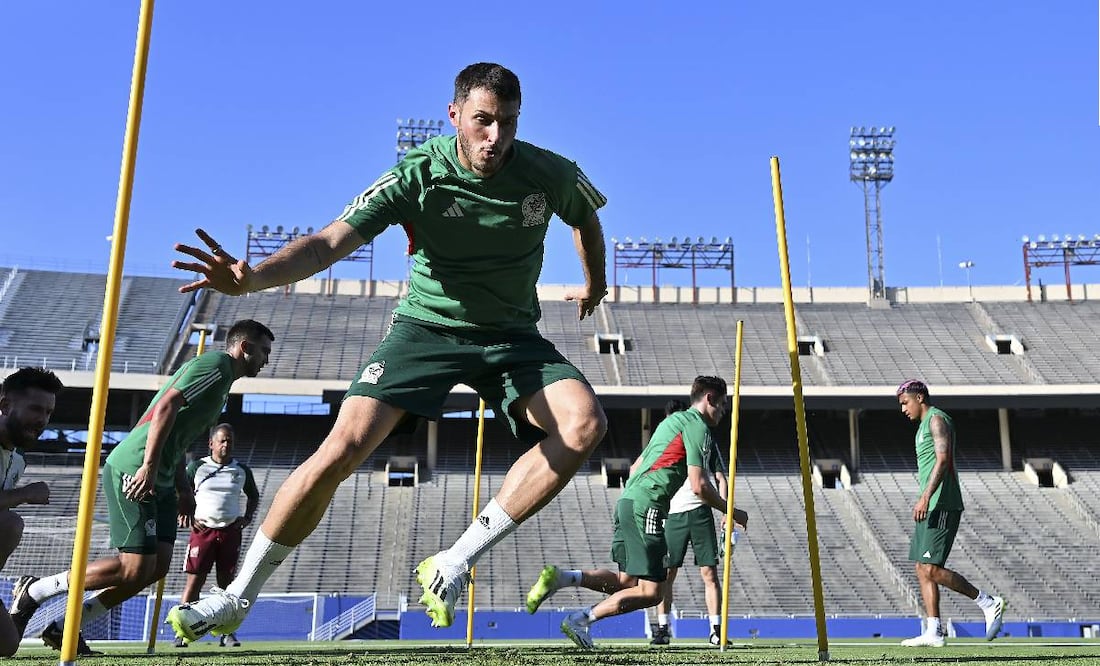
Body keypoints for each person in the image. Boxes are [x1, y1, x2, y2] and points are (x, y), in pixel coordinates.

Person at [164, 62, 609, 643]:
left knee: (585, 424)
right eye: (482, 121)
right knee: (342, 448)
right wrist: (252, 281)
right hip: (426, 329)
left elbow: (585, 217)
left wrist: (596, 283)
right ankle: (236, 597)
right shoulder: (417, 175)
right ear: (454, 115)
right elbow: (327, 243)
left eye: (508, 123)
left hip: (512, 338)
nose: (495, 137)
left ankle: (455, 561)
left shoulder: (549, 171)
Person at [9, 319, 273, 655]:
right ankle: (36, 591)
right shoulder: (217, 365)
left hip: (163, 477)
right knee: (134, 567)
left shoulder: (222, 385)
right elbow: (166, 407)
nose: (266, 360)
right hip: (135, 468)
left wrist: (182, 490)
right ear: (245, 347)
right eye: (264, 351)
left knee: (156, 568)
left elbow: (177, 437)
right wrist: (148, 465)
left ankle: (64, 628)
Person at [524, 377, 747, 649]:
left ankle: (562, 577)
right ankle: (580, 620)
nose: (723, 411)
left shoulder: (669, 423)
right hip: (648, 506)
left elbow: (635, 467)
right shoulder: (697, 426)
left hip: (628, 501)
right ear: (709, 398)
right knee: (653, 592)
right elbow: (699, 485)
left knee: (626, 581)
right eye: (722, 404)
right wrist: (732, 511)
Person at [896, 379, 1005, 647]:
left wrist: (925, 497)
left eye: (905, 403)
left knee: (931, 569)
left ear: (919, 398)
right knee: (922, 568)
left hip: (942, 502)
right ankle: (934, 631)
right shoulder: (922, 426)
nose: (903, 409)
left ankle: (987, 602)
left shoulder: (936, 420)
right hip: (931, 504)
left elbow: (943, 460)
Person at [647, 399, 739, 647]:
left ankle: (716, 630)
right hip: (672, 515)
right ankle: (663, 629)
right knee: (666, 574)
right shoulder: (663, 443)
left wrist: (726, 511)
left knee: (709, 572)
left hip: (700, 512)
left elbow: (721, 478)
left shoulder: (703, 438)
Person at [174, 423, 258, 648]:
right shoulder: (197, 467)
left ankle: (227, 634)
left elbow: (253, 496)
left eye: (230, 441)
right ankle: (182, 632)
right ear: (211, 443)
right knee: (195, 582)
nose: (226, 444)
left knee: (227, 585)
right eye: (222, 440)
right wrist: (185, 513)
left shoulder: (241, 470)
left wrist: (247, 517)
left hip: (230, 532)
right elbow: (180, 492)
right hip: (202, 531)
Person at [0, 367, 63, 657]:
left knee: (6, 644)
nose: (42, 420)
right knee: (9, 523)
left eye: (48, 413)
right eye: (35, 409)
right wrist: (24, 494)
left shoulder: (17, 459)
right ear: (5, 405)